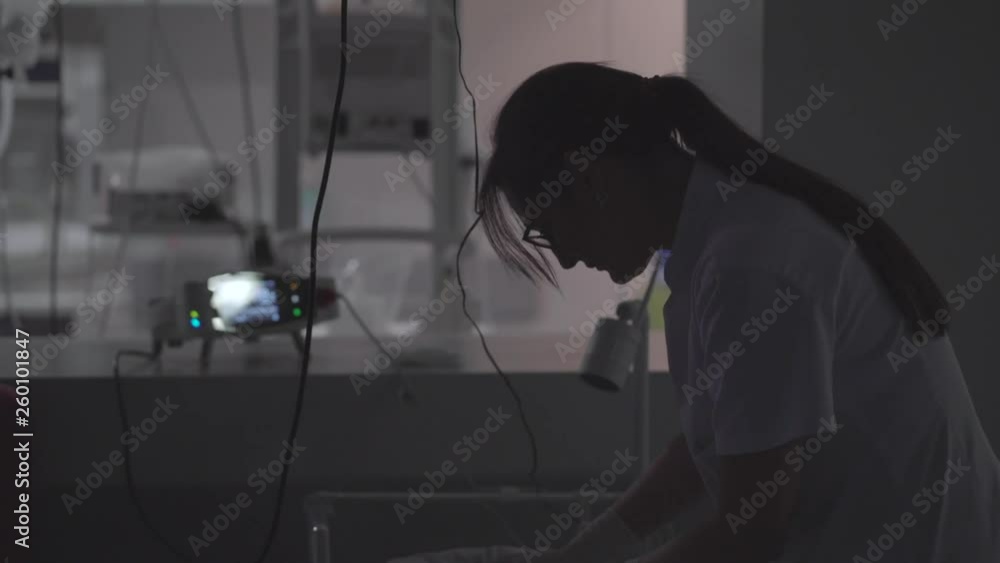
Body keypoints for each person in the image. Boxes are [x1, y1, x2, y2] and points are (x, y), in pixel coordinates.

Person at [480, 62, 1000, 563]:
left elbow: (752, 534)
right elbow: (722, 443)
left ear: (592, 182)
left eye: (549, 230)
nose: (567, 258)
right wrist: (580, 556)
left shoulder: (749, 263)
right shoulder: (726, 238)